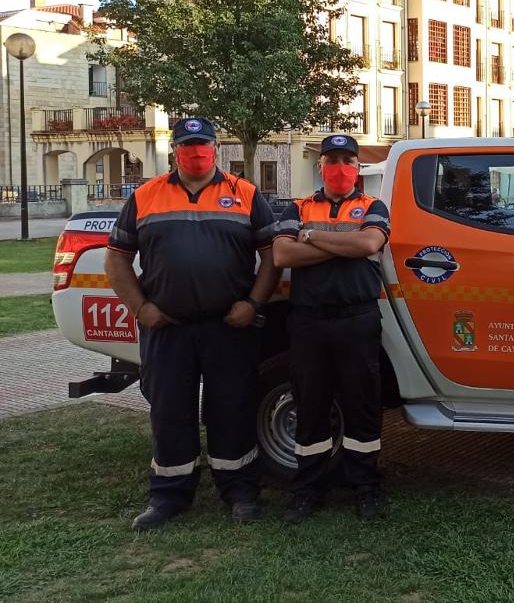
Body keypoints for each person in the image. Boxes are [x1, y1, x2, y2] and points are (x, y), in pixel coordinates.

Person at [104, 117, 279, 530]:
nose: (196, 152)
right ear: (175, 151)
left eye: (203, 145)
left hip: (228, 327)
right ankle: (168, 495)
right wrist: (140, 308)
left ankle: (238, 489)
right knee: (169, 411)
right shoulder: (145, 196)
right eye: (187, 146)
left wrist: (253, 303)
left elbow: (272, 256)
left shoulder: (246, 194)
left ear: (216, 149)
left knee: (232, 408)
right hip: (167, 327)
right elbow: (117, 258)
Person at [272, 134, 391, 523]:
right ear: (320, 166)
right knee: (310, 404)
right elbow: (282, 254)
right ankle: (308, 489)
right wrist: (344, 241)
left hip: (357, 318)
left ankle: (365, 487)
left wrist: (312, 236)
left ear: (358, 168)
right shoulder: (298, 205)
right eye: (332, 160)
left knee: (362, 405)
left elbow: (369, 245)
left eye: (347, 160)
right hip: (309, 321)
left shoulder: (374, 205)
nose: (339, 167)